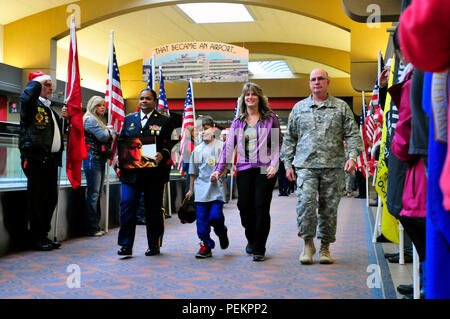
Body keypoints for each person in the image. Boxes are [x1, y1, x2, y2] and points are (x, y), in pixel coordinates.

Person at [280, 69, 362, 265]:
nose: (317, 82)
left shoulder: (341, 107)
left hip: (333, 166)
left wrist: (352, 156)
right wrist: (287, 164)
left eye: (320, 79)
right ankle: (308, 244)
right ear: (309, 84)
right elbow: (290, 138)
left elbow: (352, 134)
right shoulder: (299, 108)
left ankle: (325, 246)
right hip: (305, 165)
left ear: (328, 82)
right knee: (305, 204)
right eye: (313, 80)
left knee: (329, 208)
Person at [211, 82, 282, 262]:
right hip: (244, 168)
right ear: (243, 99)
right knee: (244, 207)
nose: (250, 97)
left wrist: (275, 164)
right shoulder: (238, 121)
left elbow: (276, 144)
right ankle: (251, 238)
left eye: (254, 94)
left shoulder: (270, 118)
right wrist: (219, 170)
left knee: (261, 207)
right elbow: (228, 147)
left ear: (259, 98)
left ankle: (259, 247)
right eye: (247, 94)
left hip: (265, 168)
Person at [116, 88, 175, 257]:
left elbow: (172, 143)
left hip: (154, 174)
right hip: (131, 173)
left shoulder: (165, 120)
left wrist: (163, 153)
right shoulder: (129, 120)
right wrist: (119, 156)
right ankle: (126, 245)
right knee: (127, 206)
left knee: (153, 209)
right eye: (141, 98)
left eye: (148, 99)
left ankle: (154, 244)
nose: (144, 101)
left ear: (154, 102)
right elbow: (122, 140)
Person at [19, 71, 68, 251]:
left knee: (50, 199)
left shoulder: (48, 108)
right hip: (36, 159)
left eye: (50, 85)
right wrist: (36, 82)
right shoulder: (31, 105)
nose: (51, 88)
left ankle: (44, 234)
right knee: (37, 200)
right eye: (47, 84)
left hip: (51, 160)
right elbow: (26, 99)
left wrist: (65, 120)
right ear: (37, 86)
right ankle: (36, 238)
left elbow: (57, 132)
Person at [186, 116, 229, 258]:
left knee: (216, 217)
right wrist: (191, 189)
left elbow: (225, 168)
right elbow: (193, 173)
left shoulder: (221, 146)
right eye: (199, 130)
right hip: (200, 190)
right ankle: (206, 245)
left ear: (213, 129)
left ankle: (222, 232)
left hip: (217, 190)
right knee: (202, 221)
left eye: (205, 129)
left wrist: (218, 175)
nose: (202, 132)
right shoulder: (197, 150)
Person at [82, 96, 115, 237]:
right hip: (92, 159)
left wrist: (107, 130)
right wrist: (110, 131)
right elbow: (102, 137)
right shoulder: (89, 120)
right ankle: (91, 227)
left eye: (103, 105)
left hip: (98, 159)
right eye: (98, 105)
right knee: (94, 194)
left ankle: (96, 225)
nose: (102, 107)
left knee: (98, 193)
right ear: (92, 106)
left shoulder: (97, 120)